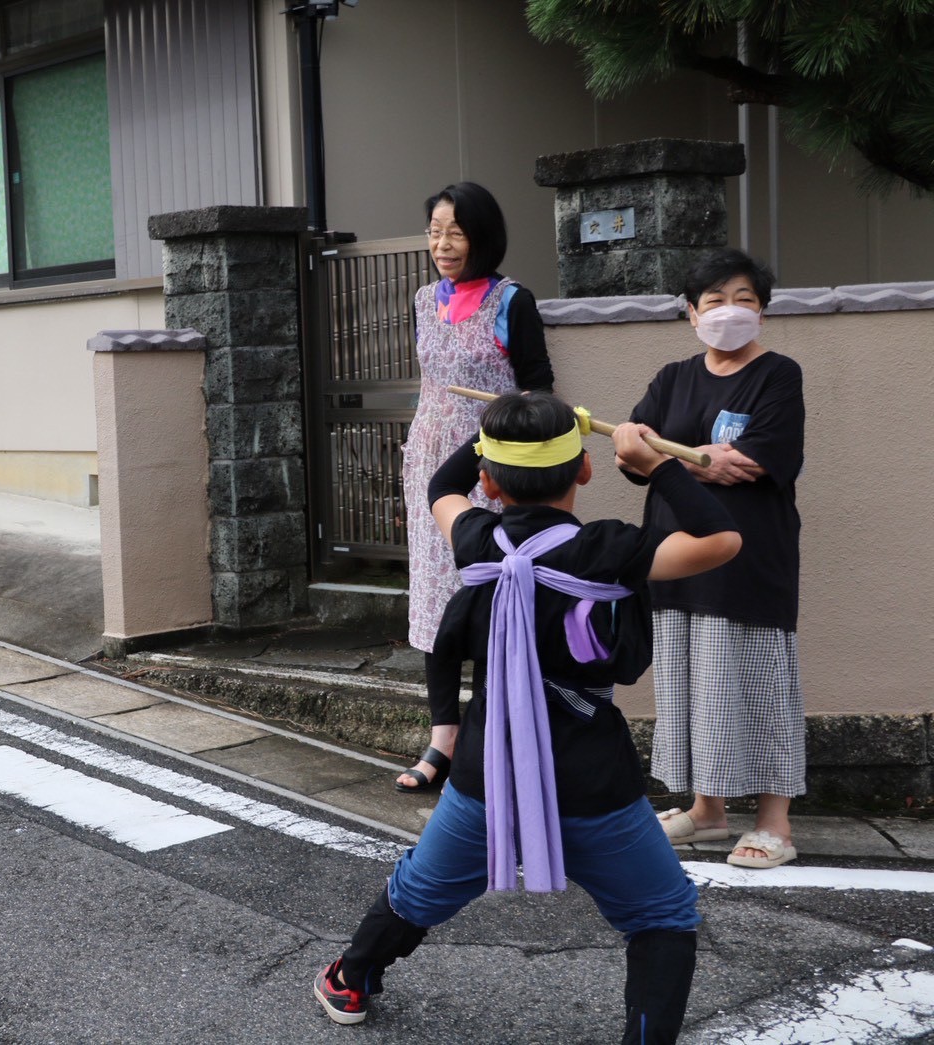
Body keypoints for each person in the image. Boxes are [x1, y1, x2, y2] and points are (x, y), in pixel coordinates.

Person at [314, 392, 741, 1042]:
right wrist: (657, 465)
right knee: (661, 915)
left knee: (419, 889)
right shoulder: (609, 548)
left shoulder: (475, 538)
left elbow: (441, 485)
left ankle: (350, 978)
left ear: (488, 480)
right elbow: (722, 539)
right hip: (593, 781)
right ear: (585, 469)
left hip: (486, 775)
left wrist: (494, 430)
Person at [625, 249, 806, 869]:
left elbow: (754, 461)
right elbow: (630, 452)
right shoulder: (672, 377)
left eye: (743, 300)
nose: (729, 311)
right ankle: (707, 813)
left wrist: (666, 458)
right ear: (691, 313)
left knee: (761, 685)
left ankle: (775, 825)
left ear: (763, 311)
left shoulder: (778, 375)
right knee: (693, 685)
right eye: (714, 301)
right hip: (676, 556)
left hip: (749, 558)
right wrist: (697, 460)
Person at [396, 181, 554, 794]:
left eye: (456, 233)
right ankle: (443, 737)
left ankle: (492, 738)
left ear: (482, 236)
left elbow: (538, 389)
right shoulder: (423, 299)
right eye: (435, 232)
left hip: (492, 466)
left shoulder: (512, 300)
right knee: (435, 599)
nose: (442, 244)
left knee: (488, 596)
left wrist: (493, 446)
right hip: (428, 463)